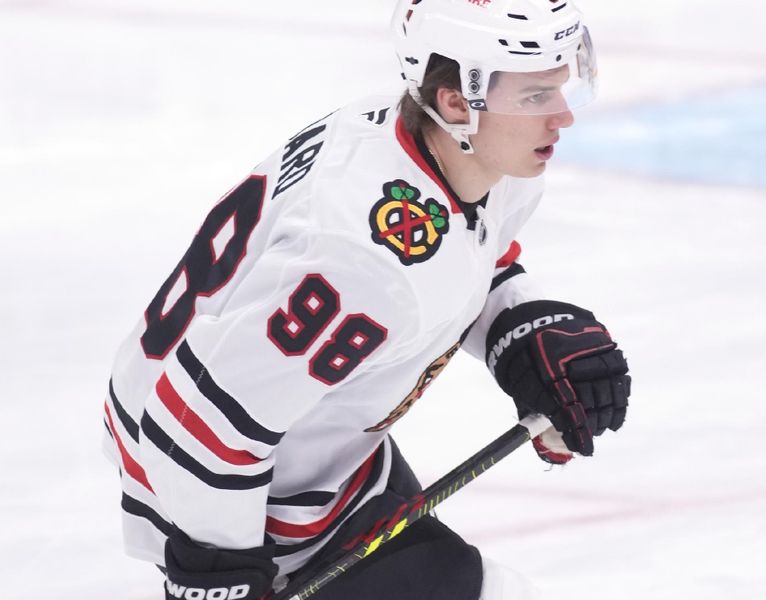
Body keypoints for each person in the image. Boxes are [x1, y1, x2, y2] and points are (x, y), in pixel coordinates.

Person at [102, 1, 631, 598]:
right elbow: (199, 422)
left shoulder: (455, 151)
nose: (562, 118)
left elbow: (470, 251)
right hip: (240, 498)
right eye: (535, 98)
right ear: (457, 100)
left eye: (561, 88)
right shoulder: (366, 262)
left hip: (327, 465)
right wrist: (215, 575)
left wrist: (522, 327)